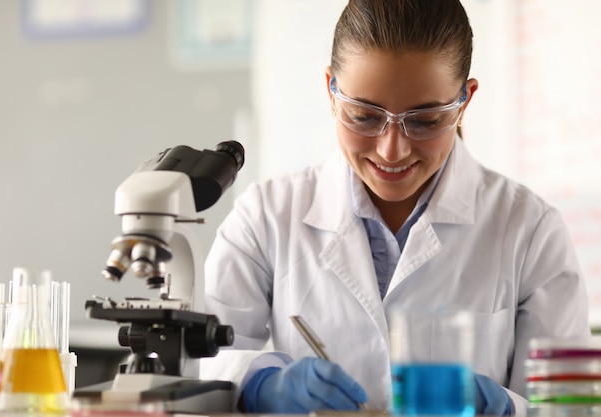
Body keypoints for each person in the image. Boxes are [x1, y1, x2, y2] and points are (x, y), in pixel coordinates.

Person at [200, 0, 591, 415]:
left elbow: (567, 406)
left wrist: (503, 407)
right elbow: (203, 362)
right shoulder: (266, 216)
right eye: (364, 116)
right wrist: (264, 384)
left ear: (464, 101)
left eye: (424, 120)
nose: (392, 149)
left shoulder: (531, 229)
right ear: (331, 92)